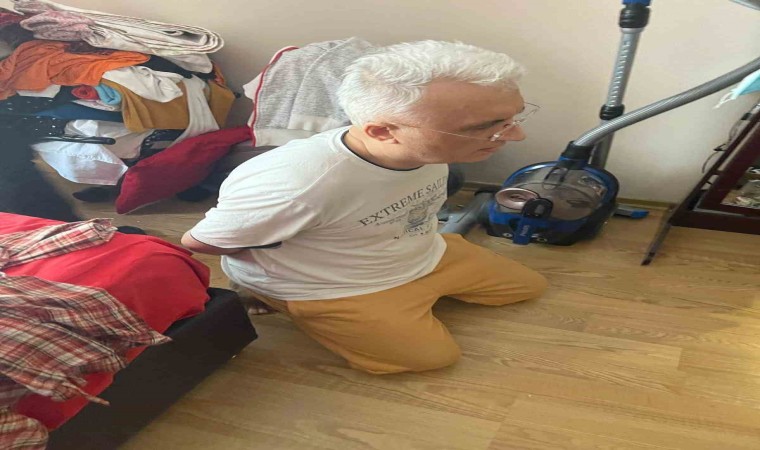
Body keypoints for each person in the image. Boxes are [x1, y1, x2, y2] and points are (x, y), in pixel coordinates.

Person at [182, 40, 548, 374]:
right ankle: (270, 297)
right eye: (484, 128)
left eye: (512, 118)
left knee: (529, 287)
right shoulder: (295, 184)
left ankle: (411, 294)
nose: (517, 135)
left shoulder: (426, 149)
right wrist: (271, 275)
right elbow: (201, 242)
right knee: (433, 359)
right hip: (335, 289)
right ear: (383, 131)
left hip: (423, 253)